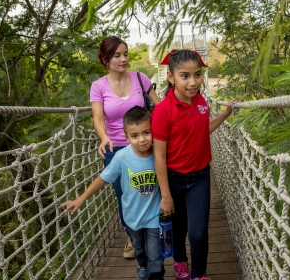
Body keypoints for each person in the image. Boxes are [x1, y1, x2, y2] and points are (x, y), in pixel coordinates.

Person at [151, 49, 236, 280]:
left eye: (198, 75)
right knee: (179, 230)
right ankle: (180, 264)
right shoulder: (162, 111)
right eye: (185, 76)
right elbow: (158, 156)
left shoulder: (200, 101)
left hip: (200, 177)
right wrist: (165, 195)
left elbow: (203, 130)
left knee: (198, 233)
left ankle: (199, 274)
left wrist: (226, 113)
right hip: (173, 179)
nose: (193, 82)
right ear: (171, 77)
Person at [59, 106, 164, 280]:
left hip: (155, 216)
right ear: (126, 137)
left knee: (156, 256)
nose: (142, 140)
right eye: (135, 135)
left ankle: (155, 276)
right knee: (139, 249)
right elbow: (103, 178)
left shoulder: (159, 153)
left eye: (147, 133)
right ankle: (142, 265)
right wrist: (81, 199)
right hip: (132, 217)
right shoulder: (122, 157)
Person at [91, 36, 160, 258]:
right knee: (124, 196)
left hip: (145, 145)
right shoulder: (98, 86)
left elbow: (159, 107)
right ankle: (131, 236)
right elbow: (98, 119)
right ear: (105, 59)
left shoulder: (140, 79)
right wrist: (103, 138)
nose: (123, 59)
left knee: (151, 190)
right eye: (116, 55)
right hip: (116, 150)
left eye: (125, 54)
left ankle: (154, 231)